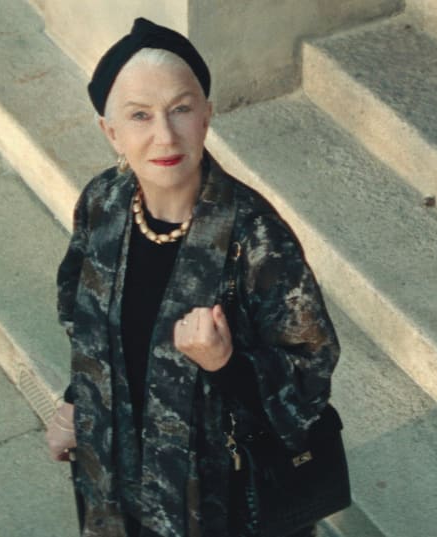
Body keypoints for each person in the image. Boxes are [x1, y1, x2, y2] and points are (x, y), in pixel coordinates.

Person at [45, 17, 340, 537]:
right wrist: (76, 404)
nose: (164, 135)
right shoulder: (103, 204)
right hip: (117, 483)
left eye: (180, 109)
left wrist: (226, 364)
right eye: (140, 115)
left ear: (206, 116)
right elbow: (83, 318)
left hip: (219, 505)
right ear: (111, 132)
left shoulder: (256, 236)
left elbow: (310, 374)